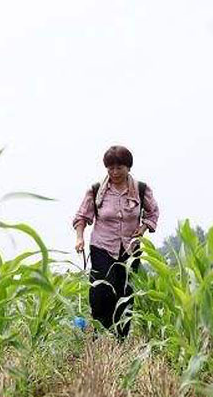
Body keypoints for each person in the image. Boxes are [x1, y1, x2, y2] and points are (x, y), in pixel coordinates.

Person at [73, 145, 159, 338]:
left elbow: (153, 212)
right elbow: (81, 217)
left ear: (128, 167)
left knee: (125, 292)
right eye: (110, 168)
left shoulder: (140, 189)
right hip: (102, 246)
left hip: (130, 248)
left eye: (119, 167)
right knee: (102, 291)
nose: (114, 172)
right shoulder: (97, 191)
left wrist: (143, 228)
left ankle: (121, 336)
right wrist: (79, 238)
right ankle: (100, 334)